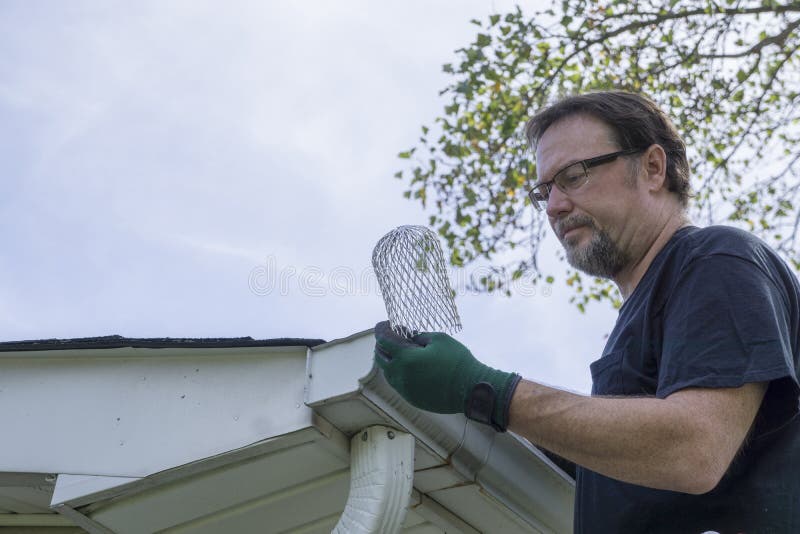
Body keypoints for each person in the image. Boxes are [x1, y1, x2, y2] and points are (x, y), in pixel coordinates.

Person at [374, 91, 800, 533]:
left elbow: (695, 449)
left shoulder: (716, 258)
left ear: (653, 168)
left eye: (574, 176)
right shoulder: (638, 320)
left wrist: (484, 391)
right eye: (544, 191)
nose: (555, 206)